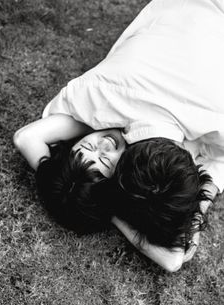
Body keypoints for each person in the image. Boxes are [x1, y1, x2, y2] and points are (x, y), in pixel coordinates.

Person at [14, 0, 224, 271]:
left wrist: (110, 211)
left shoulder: (97, 98)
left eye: (86, 147)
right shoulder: (102, 115)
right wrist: (110, 208)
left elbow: (24, 138)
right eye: (107, 160)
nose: (103, 145)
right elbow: (171, 260)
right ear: (125, 180)